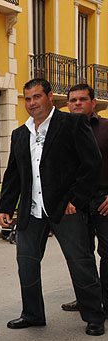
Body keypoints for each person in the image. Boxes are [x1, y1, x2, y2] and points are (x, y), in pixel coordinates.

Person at [0, 78, 105, 336]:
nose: (32, 103)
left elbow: (91, 164)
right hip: (31, 212)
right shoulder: (20, 133)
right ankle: (32, 314)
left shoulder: (72, 124)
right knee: (27, 263)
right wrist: (5, 207)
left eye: (36, 97)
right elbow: (13, 174)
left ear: (49, 97)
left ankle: (93, 316)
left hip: (64, 208)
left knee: (80, 262)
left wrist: (75, 200)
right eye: (27, 98)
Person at [60, 84, 108, 315]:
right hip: (75, 202)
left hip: (103, 199)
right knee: (81, 255)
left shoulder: (106, 128)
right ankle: (87, 300)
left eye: (82, 99)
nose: (77, 103)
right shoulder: (61, 132)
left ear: (93, 102)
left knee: (107, 253)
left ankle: (106, 303)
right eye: (72, 100)